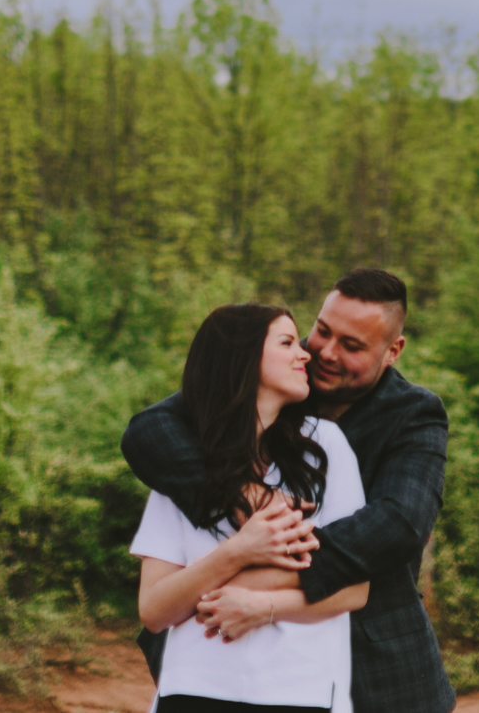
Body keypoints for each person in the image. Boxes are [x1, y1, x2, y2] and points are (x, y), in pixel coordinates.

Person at [124, 270, 457, 713]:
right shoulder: (275, 381)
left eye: (352, 345)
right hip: (220, 667)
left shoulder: (413, 414)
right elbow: (149, 430)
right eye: (321, 331)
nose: (324, 353)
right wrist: (245, 496)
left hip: (377, 664)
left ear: (392, 351)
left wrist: (244, 577)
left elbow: (397, 525)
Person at [130, 303, 371, 713]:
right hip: (194, 688)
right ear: (241, 358)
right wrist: (238, 552)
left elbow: (353, 588)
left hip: (298, 690)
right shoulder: (180, 461)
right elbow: (153, 611)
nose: (305, 354)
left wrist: (264, 607)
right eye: (287, 342)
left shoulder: (325, 448)